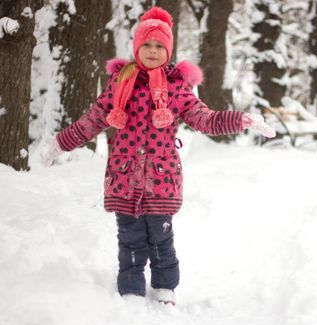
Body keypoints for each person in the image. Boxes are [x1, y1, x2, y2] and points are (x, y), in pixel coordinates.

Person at [42, 6, 275, 306]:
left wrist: (241, 119)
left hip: (162, 178)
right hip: (123, 177)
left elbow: (206, 119)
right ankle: (131, 287)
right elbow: (92, 121)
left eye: (159, 46)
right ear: (137, 47)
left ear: (168, 50)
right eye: (147, 44)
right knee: (129, 238)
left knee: (161, 238)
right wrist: (59, 144)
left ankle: (165, 286)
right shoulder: (119, 84)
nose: (153, 51)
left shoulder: (178, 88)